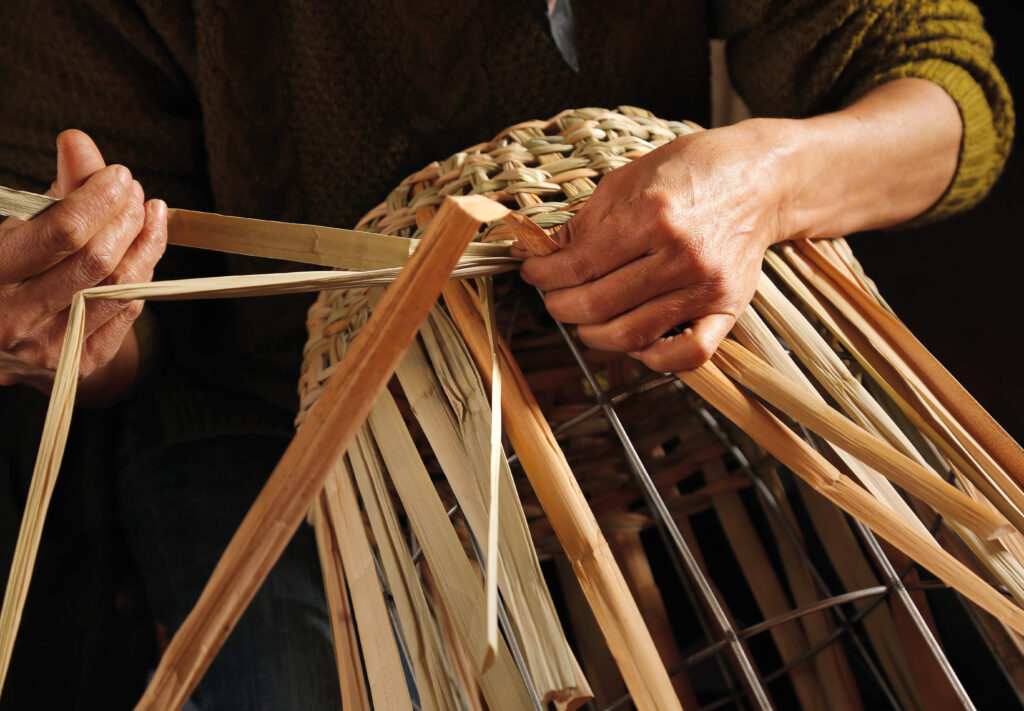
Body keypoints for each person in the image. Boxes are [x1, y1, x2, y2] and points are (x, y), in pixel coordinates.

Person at [0, 1, 1012, 709]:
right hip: (277, 429)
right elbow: (112, 308)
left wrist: (769, 180)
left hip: (652, 376)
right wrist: (66, 330)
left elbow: (942, 94)